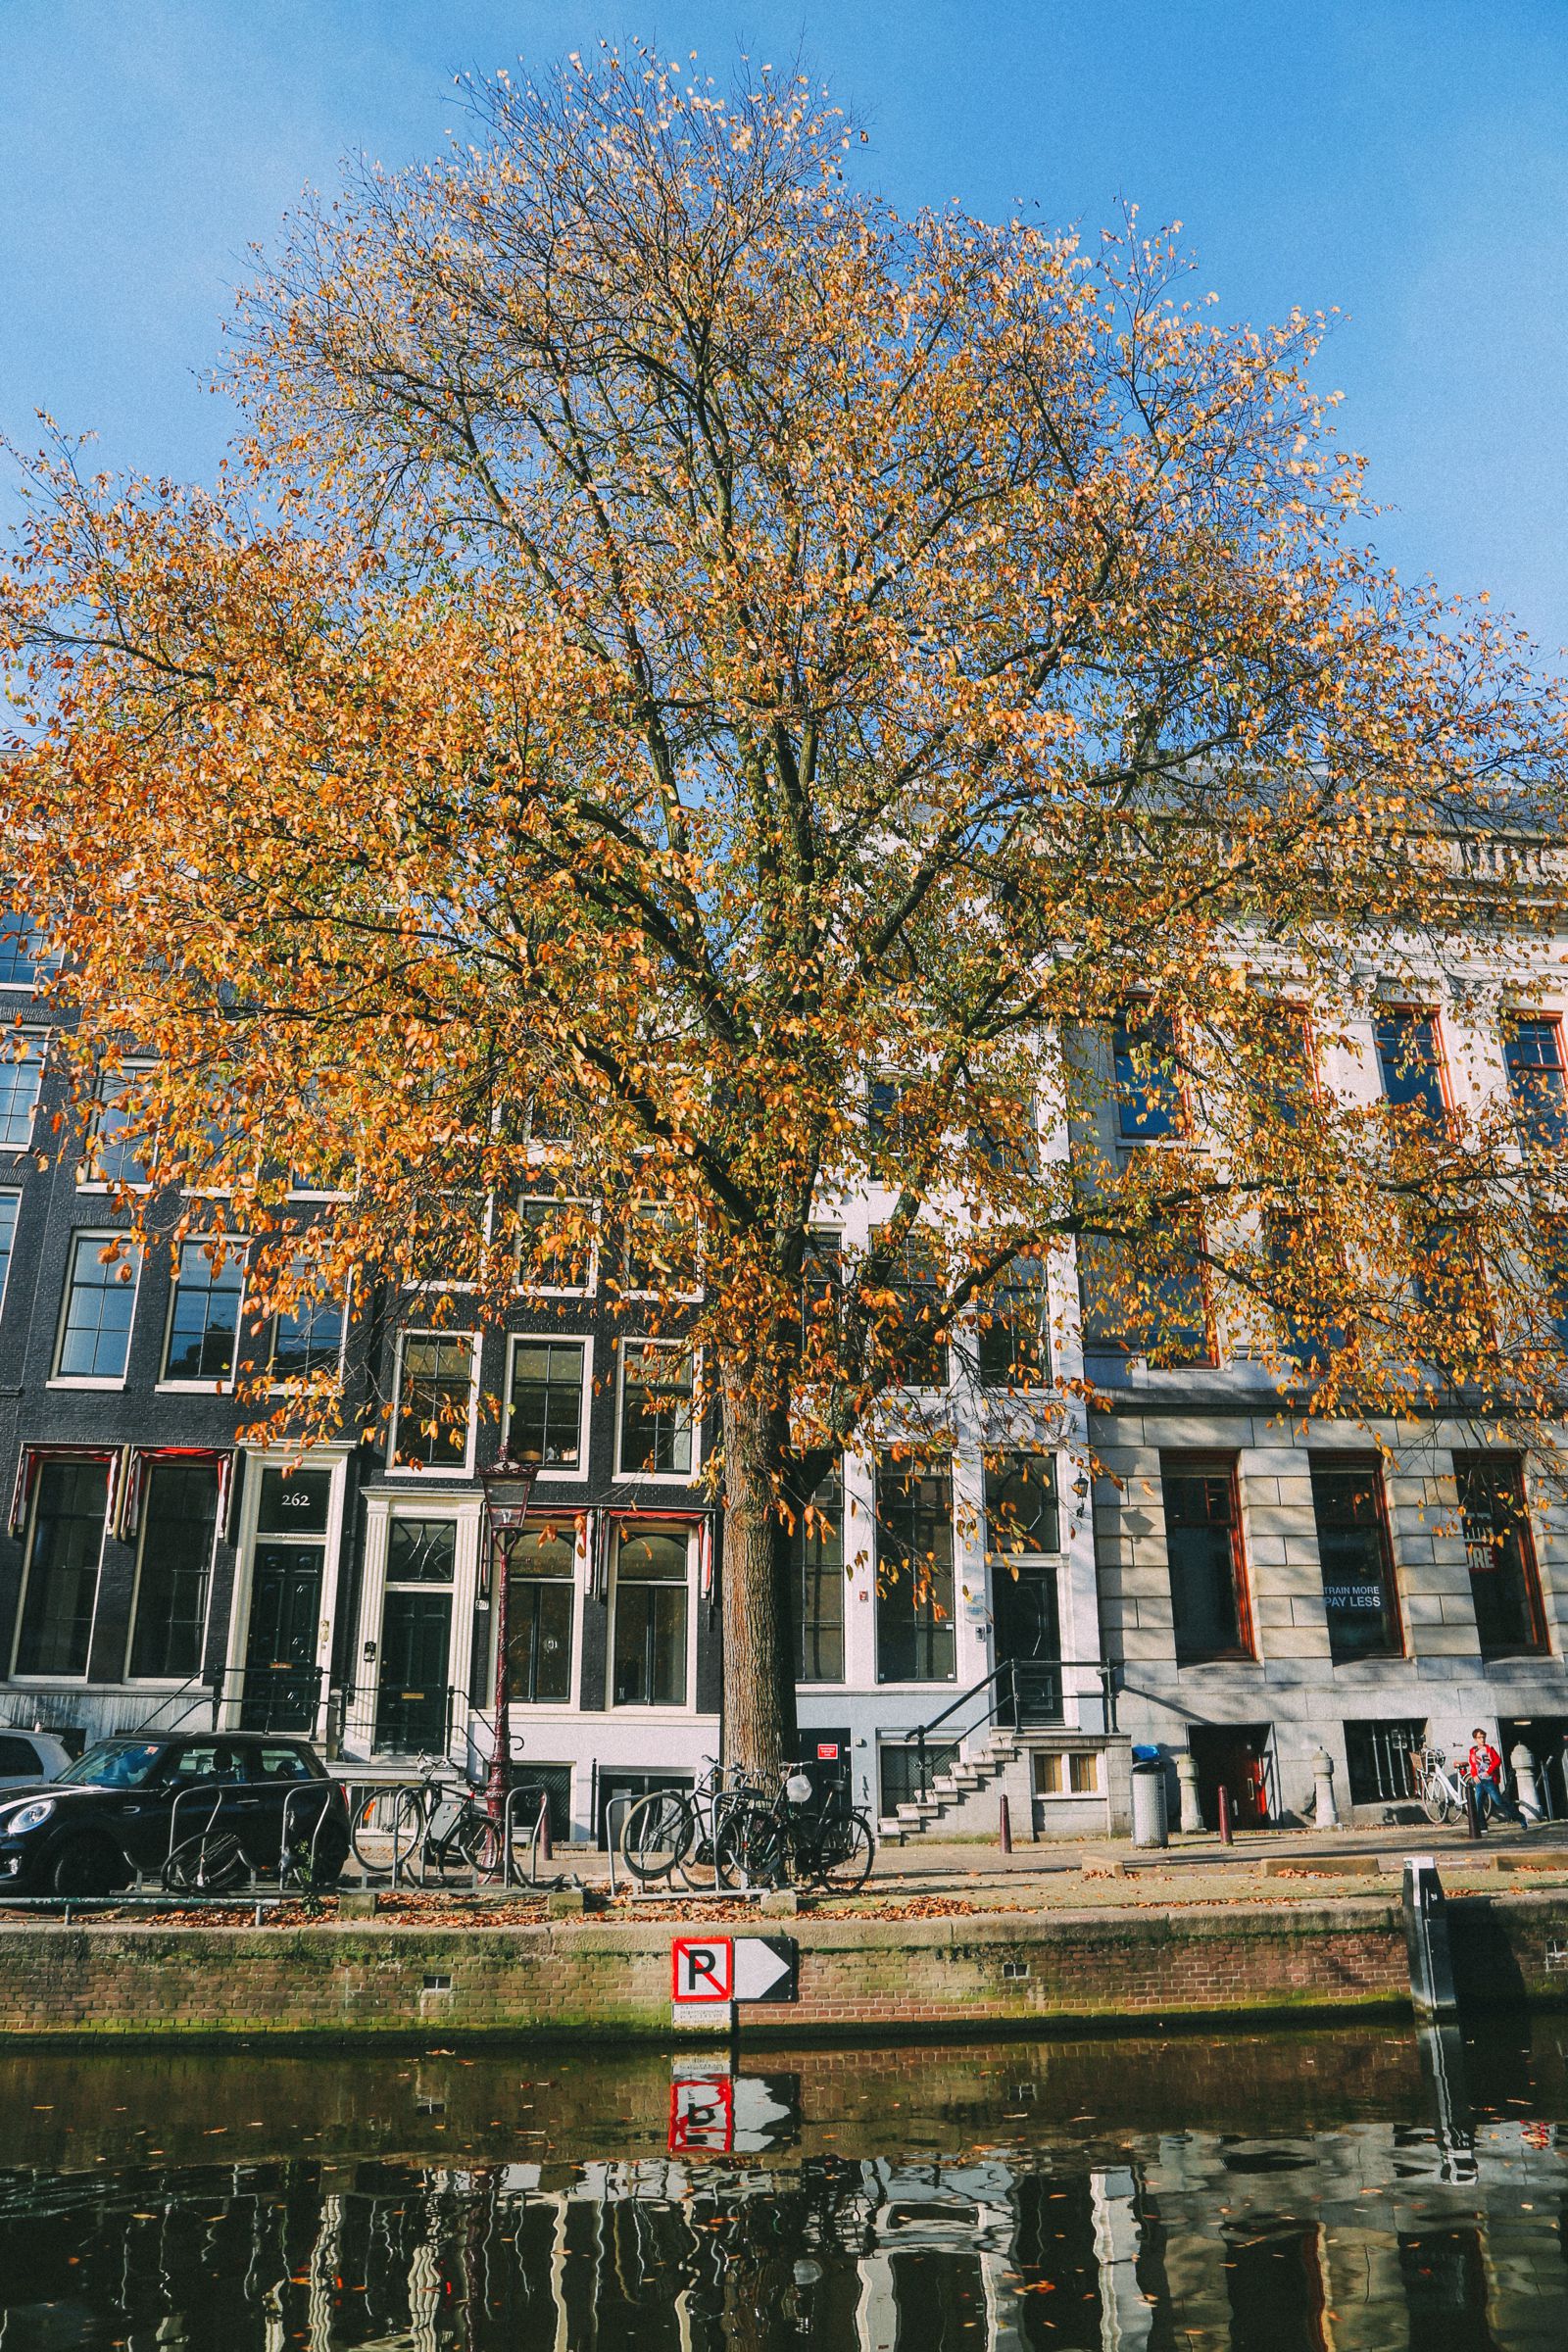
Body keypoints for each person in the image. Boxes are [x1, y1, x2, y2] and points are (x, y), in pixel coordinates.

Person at [1465, 1728, 1529, 1828]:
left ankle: (1520, 1817)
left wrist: (1489, 1771)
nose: (1482, 1739)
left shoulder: (1489, 1749)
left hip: (1489, 1780)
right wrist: (1474, 1775)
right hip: (1479, 1781)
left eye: (1483, 1737)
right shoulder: (1473, 1751)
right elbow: (1473, 1765)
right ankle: (1482, 1826)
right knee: (1479, 1803)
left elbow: (1497, 1761)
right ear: (1475, 1739)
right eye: (1479, 1737)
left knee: (1499, 1801)